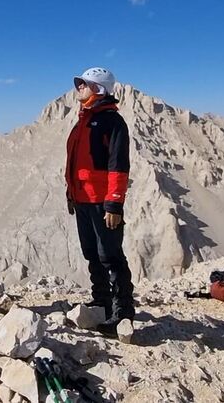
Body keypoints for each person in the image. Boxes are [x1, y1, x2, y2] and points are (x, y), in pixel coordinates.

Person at [65, 67, 135, 334]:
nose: (78, 87)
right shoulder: (83, 120)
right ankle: (101, 302)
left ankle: (122, 312)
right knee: (91, 252)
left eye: (84, 84)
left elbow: (119, 166)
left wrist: (114, 203)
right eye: (79, 83)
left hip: (102, 202)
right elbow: (75, 164)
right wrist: (71, 194)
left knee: (111, 255)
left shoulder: (112, 122)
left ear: (99, 89)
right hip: (82, 200)